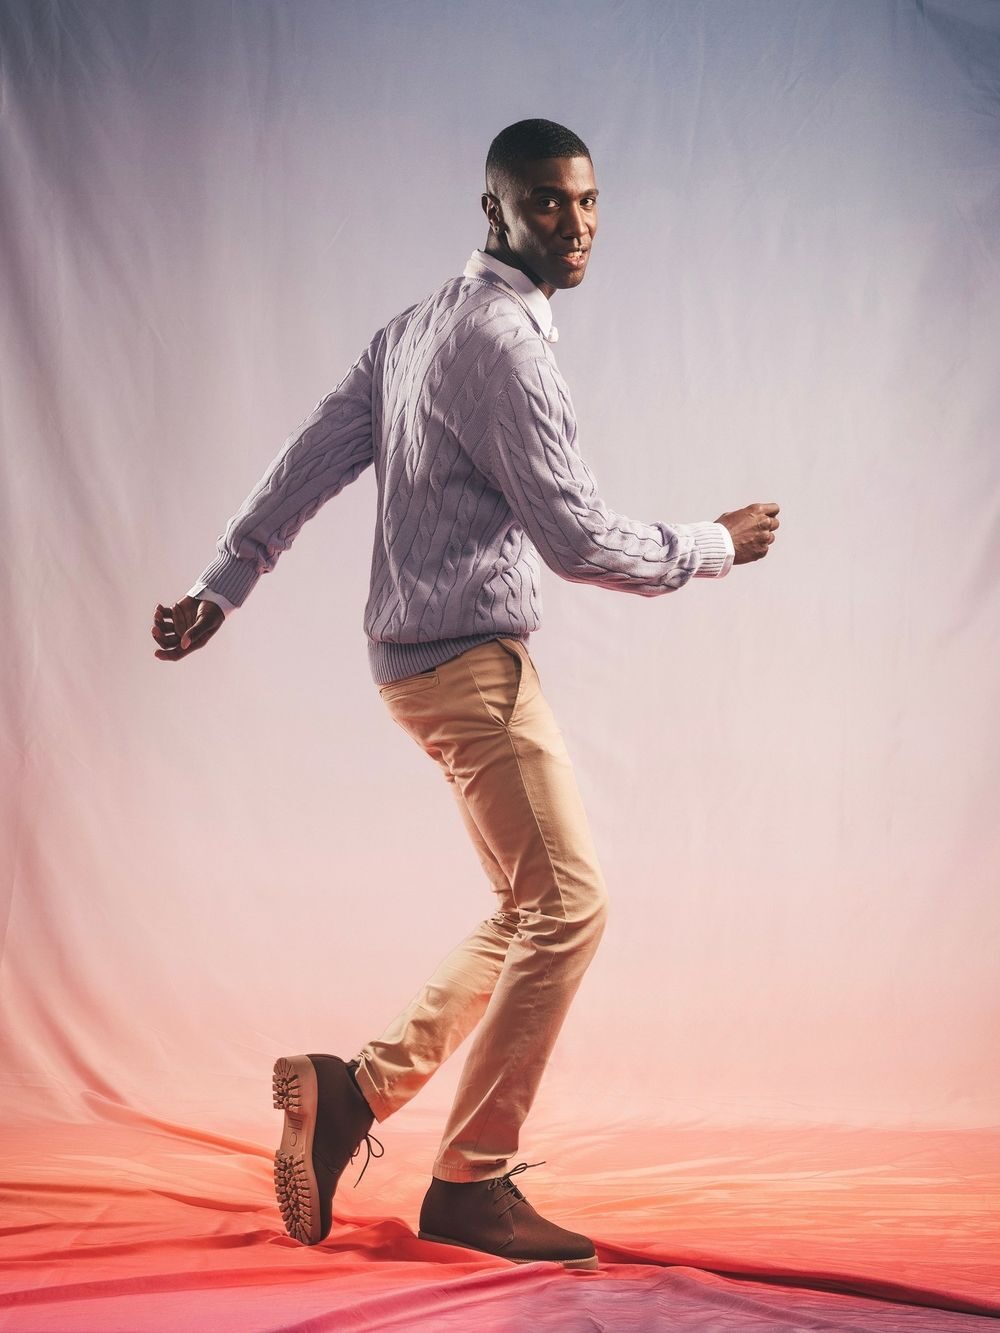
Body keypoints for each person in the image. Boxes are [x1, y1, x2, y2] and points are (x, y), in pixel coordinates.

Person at [152, 117, 780, 1270]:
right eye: (548, 204)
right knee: (572, 906)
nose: (577, 225)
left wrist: (219, 583)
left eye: (588, 203)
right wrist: (713, 543)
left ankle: (353, 1092)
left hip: (416, 662)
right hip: (470, 667)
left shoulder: (421, 325)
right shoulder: (503, 344)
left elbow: (311, 456)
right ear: (494, 210)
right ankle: (471, 1179)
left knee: (525, 907)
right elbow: (577, 539)